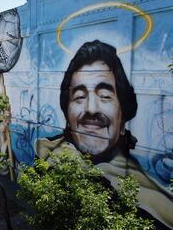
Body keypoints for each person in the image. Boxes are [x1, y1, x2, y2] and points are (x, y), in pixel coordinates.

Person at [36, 40, 173, 229]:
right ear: (67, 114)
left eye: (105, 96)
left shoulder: (155, 205)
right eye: (79, 97)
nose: (91, 108)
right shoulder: (45, 153)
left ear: (123, 116)